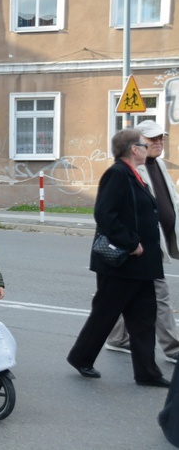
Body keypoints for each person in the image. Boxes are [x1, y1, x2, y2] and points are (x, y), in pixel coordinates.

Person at [67, 128, 168, 387]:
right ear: (134, 149)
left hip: (142, 265)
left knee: (144, 318)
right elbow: (105, 214)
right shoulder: (117, 174)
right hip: (122, 263)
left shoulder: (135, 174)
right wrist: (131, 242)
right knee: (105, 314)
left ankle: (147, 373)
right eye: (144, 145)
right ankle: (81, 357)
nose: (148, 149)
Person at [105, 121, 179, 364]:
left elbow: (171, 201)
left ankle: (116, 338)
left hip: (154, 243)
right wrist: (133, 242)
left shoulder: (158, 165)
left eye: (161, 138)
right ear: (137, 144)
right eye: (152, 139)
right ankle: (173, 347)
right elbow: (116, 211)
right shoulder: (131, 168)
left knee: (127, 292)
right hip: (143, 246)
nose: (158, 143)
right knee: (160, 294)